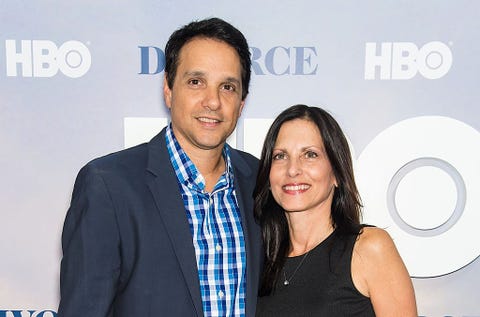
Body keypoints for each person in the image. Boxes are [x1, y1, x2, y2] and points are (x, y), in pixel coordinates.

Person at [58, 17, 262, 317]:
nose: (213, 101)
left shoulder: (260, 180)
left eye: (228, 87)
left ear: (241, 103)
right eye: (196, 82)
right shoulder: (108, 186)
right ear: (168, 89)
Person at [253, 104, 417, 316]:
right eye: (280, 156)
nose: (292, 169)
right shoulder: (259, 259)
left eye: (310, 154)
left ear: (336, 174)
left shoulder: (368, 248)